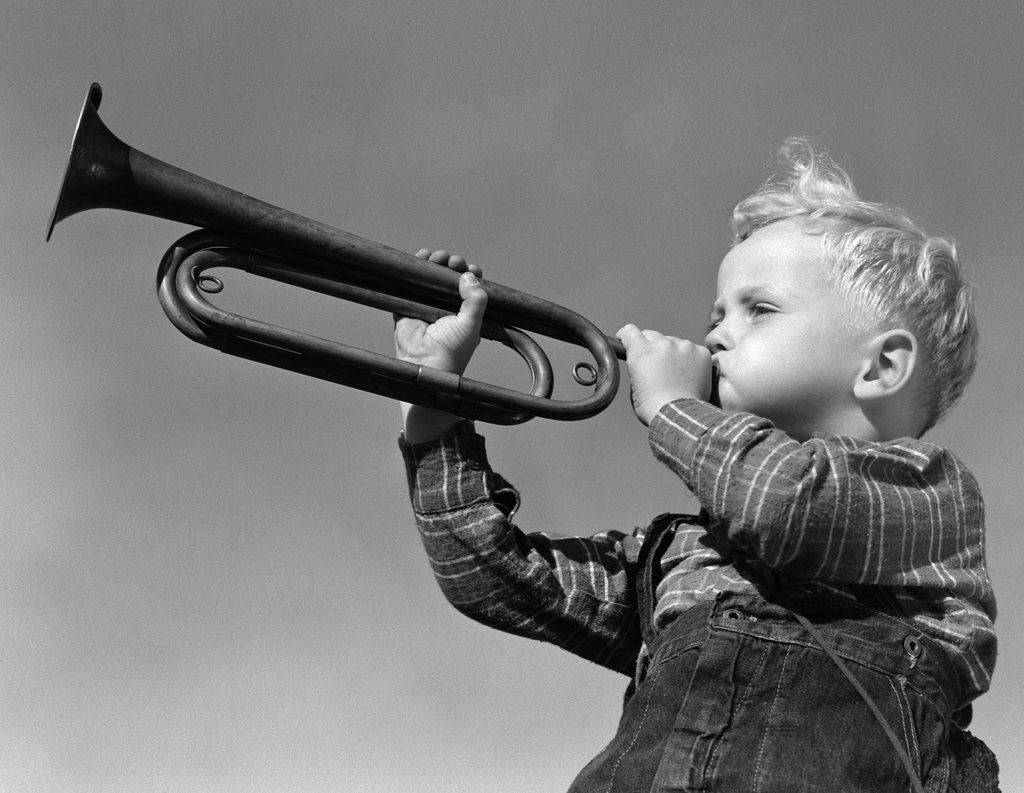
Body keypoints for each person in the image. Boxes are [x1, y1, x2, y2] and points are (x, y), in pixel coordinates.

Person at [393, 139, 997, 792]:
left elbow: (786, 504)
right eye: (716, 314)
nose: (714, 334)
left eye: (758, 309)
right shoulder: (677, 555)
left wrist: (673, 405)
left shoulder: (929, 496)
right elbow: (488, 577)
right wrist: (433, 394)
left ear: (881, 367)